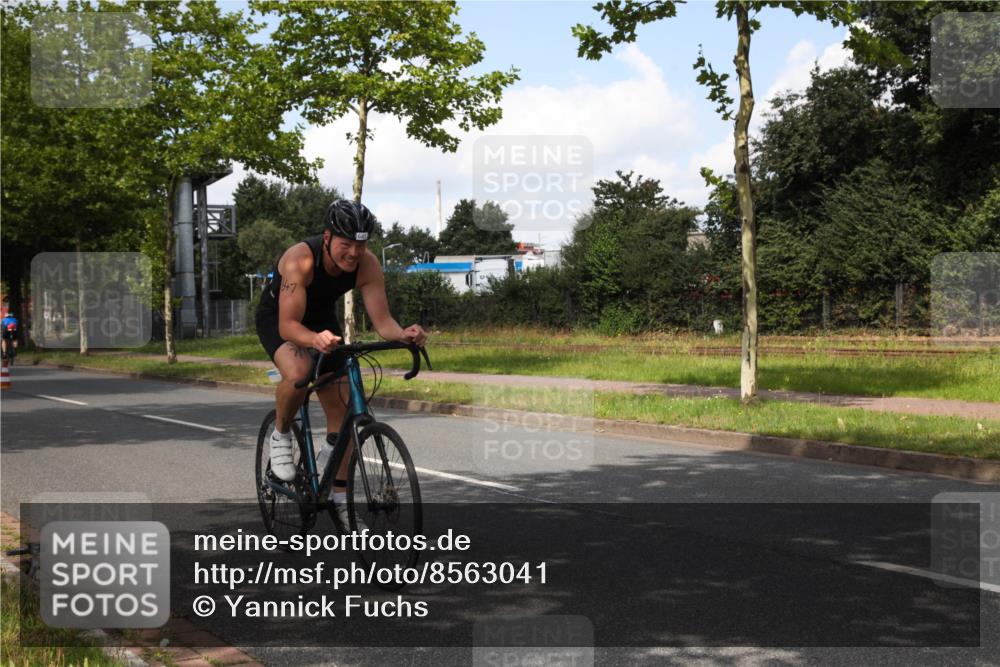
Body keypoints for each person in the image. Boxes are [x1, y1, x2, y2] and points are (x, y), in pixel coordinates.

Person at [255, 199, 427, 525]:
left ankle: (339, 500)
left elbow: (383, 321)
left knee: (345, 410)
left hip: (322, 320)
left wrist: (404, 334)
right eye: (346, 244)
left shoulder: (368, 265)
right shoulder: (300, 259)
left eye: (360, 245)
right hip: (281, 319)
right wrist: (312, 340)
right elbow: (288, 326)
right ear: (327, 237)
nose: (353, 253)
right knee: (300, 371)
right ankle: (281, 434)